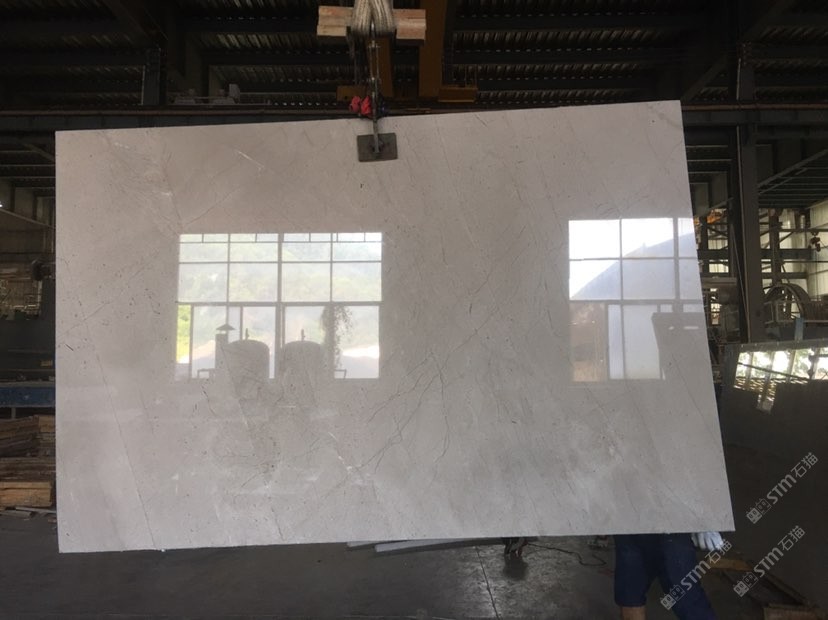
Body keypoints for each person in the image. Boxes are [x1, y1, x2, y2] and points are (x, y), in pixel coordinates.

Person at [614, 531, 724, 619]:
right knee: (629, 595)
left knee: (686, 597)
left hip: (673, 526)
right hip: (629, 525)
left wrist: (704, 520)